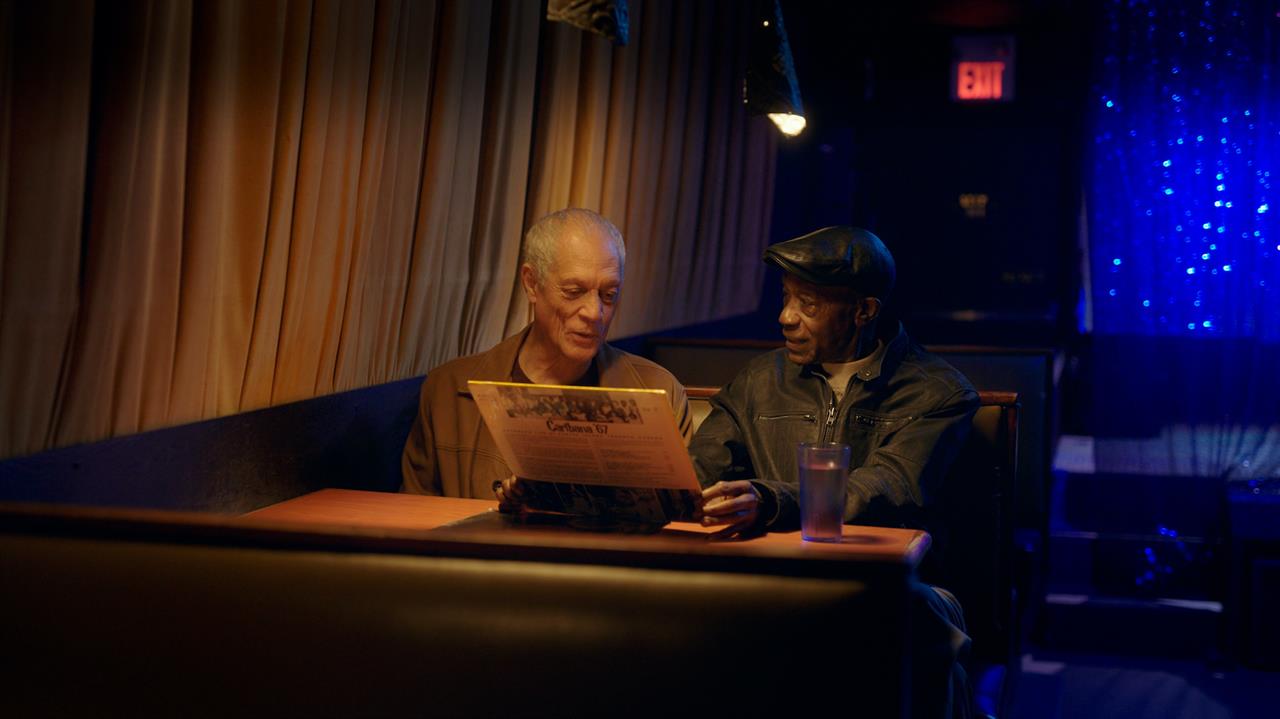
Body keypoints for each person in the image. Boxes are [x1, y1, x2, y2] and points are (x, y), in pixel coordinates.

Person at [689, 225, 979, 718]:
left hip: (899, 582)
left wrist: (769, 499)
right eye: (785, 298)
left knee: (910, 612)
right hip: (772, 576)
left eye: (810, 304)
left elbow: (886, 487)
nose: (785, 318)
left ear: (864, 311)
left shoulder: (938, 394)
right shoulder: (757, 383)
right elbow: (696, 471)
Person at [400, 208, 692, 499]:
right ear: (532, 283)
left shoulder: (661, 393)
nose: (594, 313)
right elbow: (413, 521)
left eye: (608, 295)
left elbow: (683, 523)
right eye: (574, 291)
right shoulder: (448, 392)